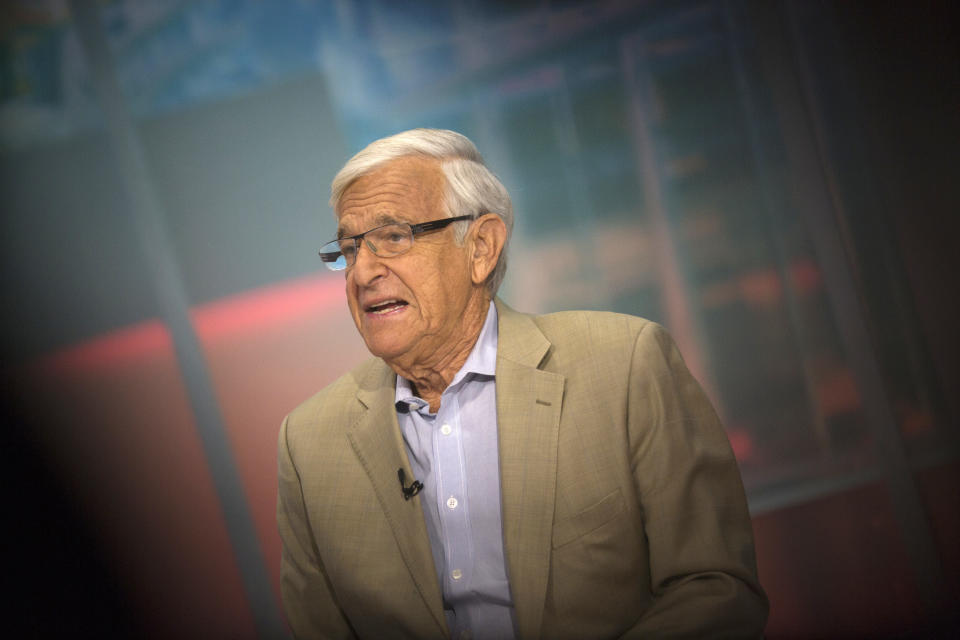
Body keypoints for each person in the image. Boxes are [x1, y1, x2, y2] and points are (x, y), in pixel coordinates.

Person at [277, 129, 768, 639]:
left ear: (481, 247)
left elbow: (715, 587)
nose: (361, 273)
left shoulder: (625, 366)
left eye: (394, 237)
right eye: (349, 249)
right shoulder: (309, 446)